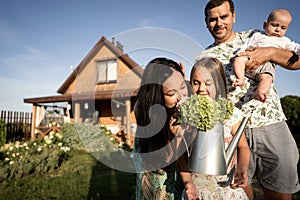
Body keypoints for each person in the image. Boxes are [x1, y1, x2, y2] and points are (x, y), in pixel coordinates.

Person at [196, 0, 300, 199]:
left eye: (224, 17)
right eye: (212, 19)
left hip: (270, 124)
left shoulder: (255, 37)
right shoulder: (203, 56)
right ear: (206, 22)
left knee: (280, 193)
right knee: (239, 192)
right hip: (232, 132)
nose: (218, 23)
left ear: (233, 16)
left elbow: (296, 61)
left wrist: (270, 52)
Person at [184, 57, 250, 200]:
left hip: (223, 187)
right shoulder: (187, 112)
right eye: (196, 83)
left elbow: (243, 146)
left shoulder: (229, 113)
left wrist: (242, 169)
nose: (201, 89)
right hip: (196, 187)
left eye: (208, 83)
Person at [133, 57, 196, 200]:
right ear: (156, 96)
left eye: (182, 86)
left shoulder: (180, 108)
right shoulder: (150, 115)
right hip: (160, 180)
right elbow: (164, 159)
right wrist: (176, 138)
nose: (181, 97)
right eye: (171, 93)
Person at [232, 9, 300, 102]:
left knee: (267, 77)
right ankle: (240, 78)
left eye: (282, 28)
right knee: (238, 60)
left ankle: (261, 92)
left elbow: (295, 47)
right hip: (250, 58)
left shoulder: (285, 41)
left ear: (286, 29)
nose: (277, 29)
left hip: (266, 65)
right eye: (274, 25)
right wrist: (240, 53)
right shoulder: (257, 35)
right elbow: (247, 44)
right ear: (265, 25)